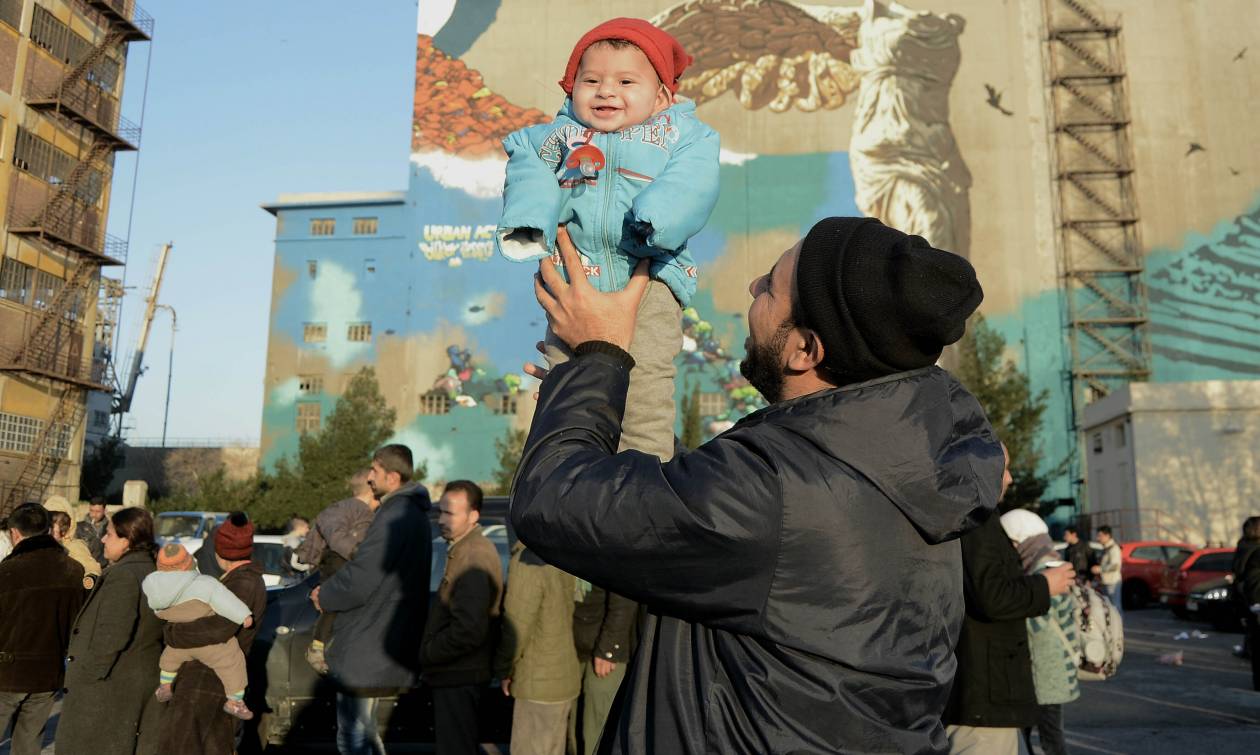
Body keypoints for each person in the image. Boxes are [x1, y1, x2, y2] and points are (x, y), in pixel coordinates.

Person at [513, 216, 1004, 752]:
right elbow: (701, 508)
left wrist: (597, 356)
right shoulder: (894, 469)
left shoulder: (777, 486)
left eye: (770, 286)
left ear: (804, 350)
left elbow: (551, 500)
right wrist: (592, 398)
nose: (752, 288)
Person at [495, 17, 720, 466]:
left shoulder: (681, 135)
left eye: (625, 81)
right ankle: (562, 479)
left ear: (661, 97)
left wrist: (654, 222)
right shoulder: (554, 137)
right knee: (566, 385)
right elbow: (527, 167)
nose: (605, 91)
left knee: (646, 388)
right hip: (579, 281)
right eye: (591, 80)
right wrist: (527, 224)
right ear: (571, 89)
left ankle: (643, 481)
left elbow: (692, 181)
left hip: (650, 277)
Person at [944, 444, 1076, 754]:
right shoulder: (976, 519)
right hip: (983, 698)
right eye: (1004, 469)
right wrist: (1045, 585)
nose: (1011, 479)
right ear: (982, 468)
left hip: (986, 696)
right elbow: (992, 596)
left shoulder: (972, 516)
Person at [311, 444, 432, 755]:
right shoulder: (411, 513)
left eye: (375, 471)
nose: (369, 477)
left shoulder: (395, 515)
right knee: (365, 731)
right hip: (378, 638)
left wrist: (324, 594)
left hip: (368, 640)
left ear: (392, 477)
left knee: (352, 736)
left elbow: (363, 577)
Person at [56, 507, 165, 755]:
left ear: (128, 540)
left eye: (110, 534)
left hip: (108, 692)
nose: (104, 539)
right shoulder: (149, 570)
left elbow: (112, 636)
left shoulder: (125, 576)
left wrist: (86, 679)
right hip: (130, 684)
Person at [156, 512, 267, 753]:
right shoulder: (239, 580)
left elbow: (219, 628)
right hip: (209, 678)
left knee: (184, 746)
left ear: (221, 551)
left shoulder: (243, 583)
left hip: (207, 680)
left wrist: (174, 633)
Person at [421, 480, 504, 754]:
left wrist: (429, 653)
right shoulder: (462, 549)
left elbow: (469, 629)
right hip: (455, 672)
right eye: (441, 512)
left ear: (473, 516)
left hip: (459, 674)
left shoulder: (473, 555)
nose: (442, 520)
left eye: (450, 514)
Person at [0, 503, 87, 755]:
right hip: (47, 673)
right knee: (29, 744)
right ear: (48, 529)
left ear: (15, 533)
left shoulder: (7, 572)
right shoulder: (73, 571)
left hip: (7, 673)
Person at [143, 543, 255, 720]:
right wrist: (244, 616)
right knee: (232, 660)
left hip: (177, 643)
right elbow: (227, 602)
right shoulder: (204, 583)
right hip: (209, 644)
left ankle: (165, 685)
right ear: (188, 563)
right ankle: (234, 701)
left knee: (169, 659)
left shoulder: (152, 585)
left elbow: (157, 611)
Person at [1000, 509, 1080, 755]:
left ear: (1022, 541)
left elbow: (1037, 623)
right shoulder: (1053, 562)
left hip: (1047, 676)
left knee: (1049, 739)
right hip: (1049, 672)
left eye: (1012, 543)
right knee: (1042, 736)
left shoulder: (1045, 572)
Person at [494, 543, 581, 755]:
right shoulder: (560, 554)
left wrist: (503, 669)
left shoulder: (528, 561)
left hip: (537, 680)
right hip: (562, 676)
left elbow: (516, 627)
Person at [297, 468, 379, 675]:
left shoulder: (354, 510)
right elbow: (337, 537)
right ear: (371, 489)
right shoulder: (353, 509)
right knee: (332, 604)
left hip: (338, 564)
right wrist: (360, 554)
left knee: (334, 606)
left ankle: (322, 647)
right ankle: (317, 647)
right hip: (337, 563)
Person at [569, 584, 637, 755]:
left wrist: (608, 650)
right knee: (574, 727)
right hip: (574, 648)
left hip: (605, 654)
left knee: (597, 728)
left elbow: (624, 599)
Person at [1233, 516, 1260, 691]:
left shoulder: (1243, 547)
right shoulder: (1257, 551)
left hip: (1250, 605)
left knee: (1256, 647)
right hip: (1257, 602)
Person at [45, 504, 102, 588]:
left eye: (51, 526)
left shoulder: (74, 546)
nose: (48, 530)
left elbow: (91, 566)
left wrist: (90, 578)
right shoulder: (43, 545)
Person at [1093, 525, 1123, 613]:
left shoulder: (1114, 549)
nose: (1098, 538)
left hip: (1112, 582)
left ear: (1108, 536)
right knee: (1109, 607)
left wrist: (1100, 569)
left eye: (1100, 536)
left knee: (1115, 607)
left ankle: (1119, 626)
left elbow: (1115, 566)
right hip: (1105, 582)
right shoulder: (1106, 549)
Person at [76, 496, 110, 568]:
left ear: (105, 510)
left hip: (103, 568)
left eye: (98, 511)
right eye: (91, 510)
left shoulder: (110, 528)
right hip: (83, 567)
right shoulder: (78, 527)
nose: (94, 514)